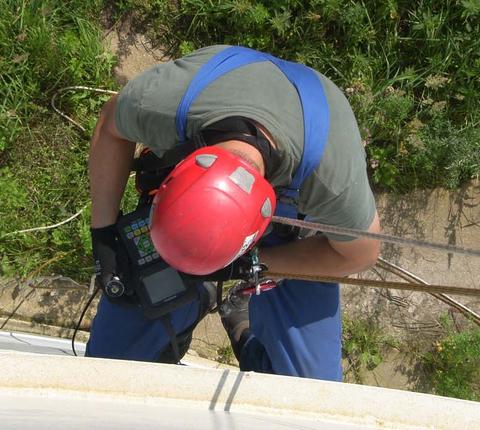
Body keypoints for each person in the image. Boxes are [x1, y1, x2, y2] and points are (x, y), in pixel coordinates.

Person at [87, 45, 381, 381]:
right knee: (108, 369)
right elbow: (111, 123)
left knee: (310, 394)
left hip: (288, 236)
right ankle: (188, 306)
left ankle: (244, 333)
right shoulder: (164, 104)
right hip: (182, 220)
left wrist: (253, 264)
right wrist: (104, 234)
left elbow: (361, 254)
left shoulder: (330, 179)